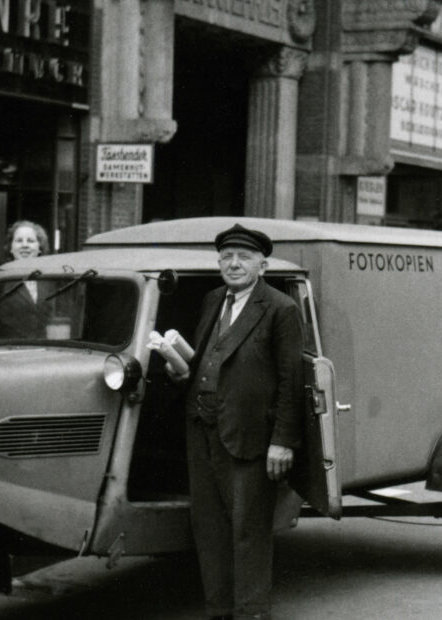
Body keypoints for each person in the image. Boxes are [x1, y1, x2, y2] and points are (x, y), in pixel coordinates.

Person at [167, 223, 304, 620]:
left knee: (248, 530)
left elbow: (290, 381)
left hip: (250, 436)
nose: (234, 264)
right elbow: (207, 360)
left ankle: (251, 612)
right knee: (208, 527)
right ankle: (220, 609)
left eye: (243, 257)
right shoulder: (213, 300)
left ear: (262, 265)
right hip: (203, 429)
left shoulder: (280, 308)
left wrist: (282, 441)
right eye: (227, 257)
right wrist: (181, 373)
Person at [0, 221, 52, 339]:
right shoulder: (0, 279)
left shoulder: (48, 279)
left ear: (40, 248)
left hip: (40, 350)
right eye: (19, 240)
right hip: (8, 350)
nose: (24, 245)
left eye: (30, 241)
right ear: (11, 248)